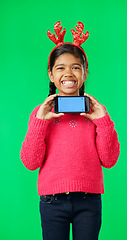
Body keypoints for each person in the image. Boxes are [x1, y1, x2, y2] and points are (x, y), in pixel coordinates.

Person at [20, 21, 120, 240]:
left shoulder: (97, 112)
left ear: (85, 74)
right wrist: (40, 122)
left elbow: (110, 160)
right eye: (61, 67)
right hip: (52, 201)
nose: (68, 73)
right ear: (51, 74)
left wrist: (103, 121)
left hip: (89, 199)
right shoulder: (40, 113)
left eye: (76, 67)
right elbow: (30, 162)